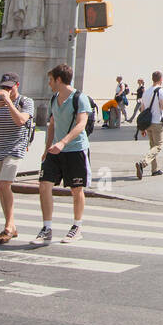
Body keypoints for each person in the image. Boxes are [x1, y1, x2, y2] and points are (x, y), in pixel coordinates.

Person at [34, 63, 92, 245]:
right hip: (55, 150)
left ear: (59, 79)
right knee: (44, 185)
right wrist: (47, 148)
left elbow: (81, 124)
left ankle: (77, 227)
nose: (49, 83)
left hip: (75, 149)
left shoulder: (79, 98)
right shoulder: (54, 98)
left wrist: (63, 142)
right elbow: (52, 124)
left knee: (76, 189)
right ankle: (47, 227)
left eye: (51, 80)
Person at [0, 73, 35, 244]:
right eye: (3, 87)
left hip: (15, 147)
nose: (6, 90)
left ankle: (8, 225)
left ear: (17, 85)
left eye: (9, 87)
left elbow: (21, 120)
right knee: (1, 187)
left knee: (5, 184)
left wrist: (10, 102)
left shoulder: (25, 102)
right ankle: (11, 226)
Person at [135, 71, 163, 179]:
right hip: (157, 122)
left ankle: (155, 169)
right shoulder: (161, 91)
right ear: (161, 79)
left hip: (148, 123)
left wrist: (143, 127)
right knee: (158, 146)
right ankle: (143, 163)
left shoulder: (146, 92)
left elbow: (142, 109)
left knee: (152, 146)